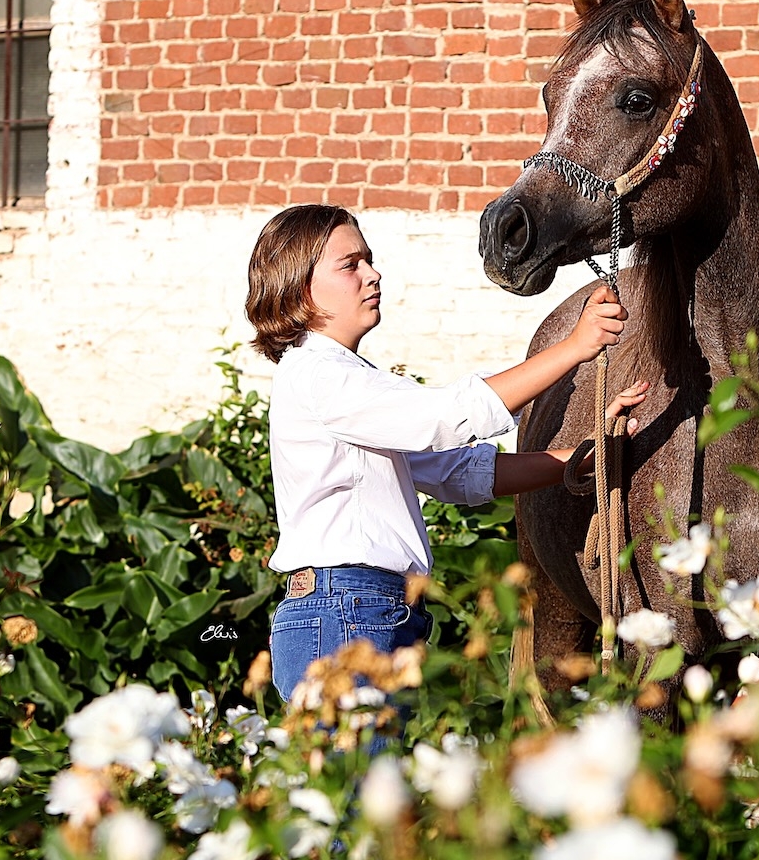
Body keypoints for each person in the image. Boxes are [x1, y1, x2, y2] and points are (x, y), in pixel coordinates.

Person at [245, 203, 647, 701]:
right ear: (299, 288)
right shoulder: (319, 375)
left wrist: (582, 459)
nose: (372, 274)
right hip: (346, 609)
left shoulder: (342, 381)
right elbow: (444, 417)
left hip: (358, 608)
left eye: (369, 260)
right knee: (360, 756)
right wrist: (574, 347)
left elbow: (456, 473)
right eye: (350, 265)